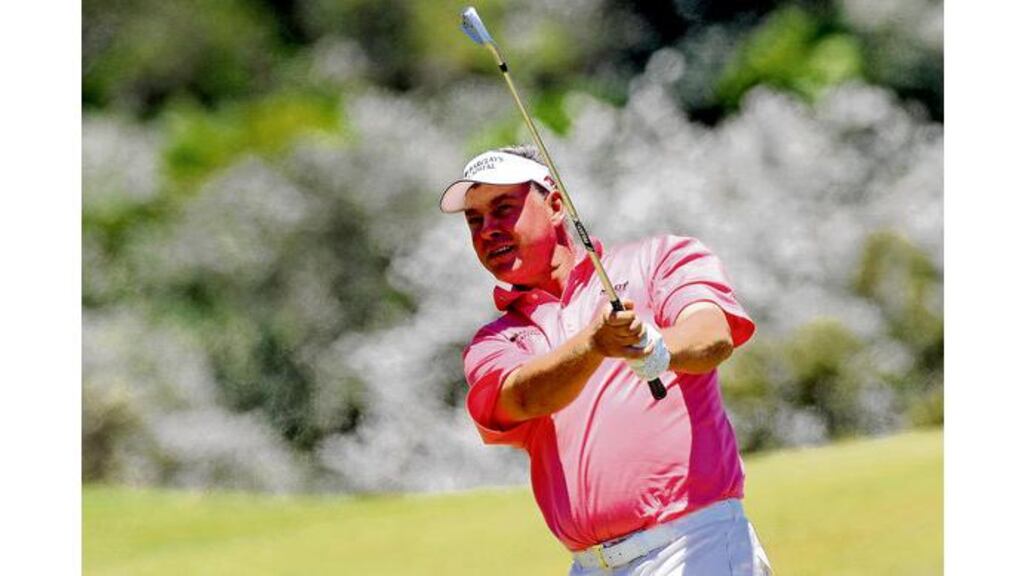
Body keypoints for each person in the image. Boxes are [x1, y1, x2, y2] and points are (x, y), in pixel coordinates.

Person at [439, 145, 773, 575]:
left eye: (503, 209)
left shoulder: (659, 260)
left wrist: (658, 348)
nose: (488, 230)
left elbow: (712, 334)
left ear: (556, 205)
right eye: (475, 220)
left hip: (694, 546)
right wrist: (595, 344)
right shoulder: (494, 341)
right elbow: (518, 398)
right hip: (590, 566)